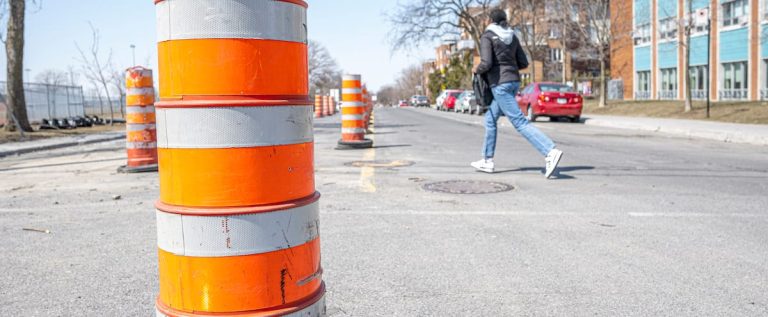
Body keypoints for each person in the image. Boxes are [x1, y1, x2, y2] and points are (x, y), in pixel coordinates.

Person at [471, 8, 563, 178]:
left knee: (519, 122)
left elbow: (487, 62)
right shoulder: (512, 36)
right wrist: (509, 68)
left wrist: (477, 70)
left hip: (500, 84)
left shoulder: (487, 36)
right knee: (490, 118)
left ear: (490, 20)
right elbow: (523, 62)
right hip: (513, 82)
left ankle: (550, 151)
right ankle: (487, 160)